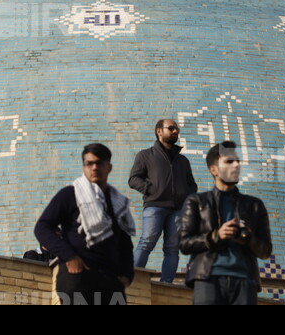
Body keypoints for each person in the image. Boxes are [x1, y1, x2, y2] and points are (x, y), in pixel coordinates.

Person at [34, 143, 135, 305]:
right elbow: (42, 227)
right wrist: (69, 257)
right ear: (84, 167)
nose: (94, 168)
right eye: (89, 163)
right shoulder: (70, 194)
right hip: (79, 276)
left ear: (109, 167)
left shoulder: (117, 203)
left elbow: (125, 244)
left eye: (99, 163)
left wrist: (127, 276)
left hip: (110, 281)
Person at [180, 141, 272, 305]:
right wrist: (217, 235)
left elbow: (265, 251)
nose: (236, 165)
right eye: (229, 161)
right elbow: (185, 243)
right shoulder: (197, 201)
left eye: (238, 161)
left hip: (245, 280)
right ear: (213, 169)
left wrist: (248, 238)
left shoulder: (254, 205)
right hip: (208, 278)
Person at [128, 118, 198, 283]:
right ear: (159, 131)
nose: (176, 131)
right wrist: (151, 189)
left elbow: (192, 185)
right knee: (146, 243)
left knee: (172, 249)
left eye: (177, 129)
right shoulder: (146, 155)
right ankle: (133, 281)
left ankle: (167, 285)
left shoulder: (183, 161)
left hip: (178, 210)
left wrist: (187, 198)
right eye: (171, 128)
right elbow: (133, 179)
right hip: (155, 207)